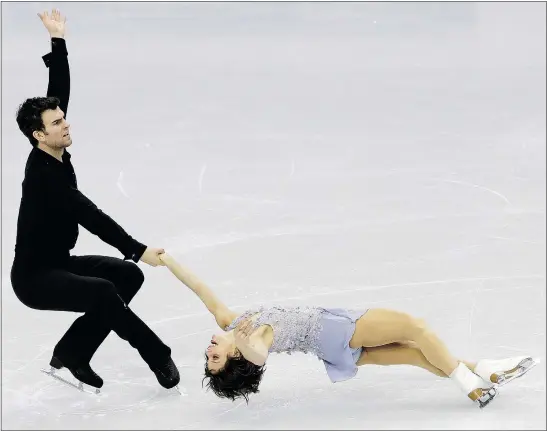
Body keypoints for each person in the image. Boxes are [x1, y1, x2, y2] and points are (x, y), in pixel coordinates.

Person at [10, 10, 179, 391]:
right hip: (35, 278)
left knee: (125, 277)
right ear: (39, 135)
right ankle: (158, 355)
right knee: (104, 290)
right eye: (56, 124)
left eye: (63, 119)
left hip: (59, 263)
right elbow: (90, 215)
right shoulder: (43, 175)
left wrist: (58, 41)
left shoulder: (53, 148)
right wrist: (137, 248)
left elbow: (58, 94)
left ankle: (73, 352)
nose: (66, 124)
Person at [158, 252, 538, 407]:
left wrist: (168, 261)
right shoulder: (252, 339)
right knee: (416, 328)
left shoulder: (232, 323)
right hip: (338, 330)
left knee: (413, 353)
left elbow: (201, 290)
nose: (209, 349)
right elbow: (258, 355)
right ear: (234, 356)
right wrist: (246, 346)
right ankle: (468, 383)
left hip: (331, 348)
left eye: (208, 356)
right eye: (215, 357)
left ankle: (482, 370)